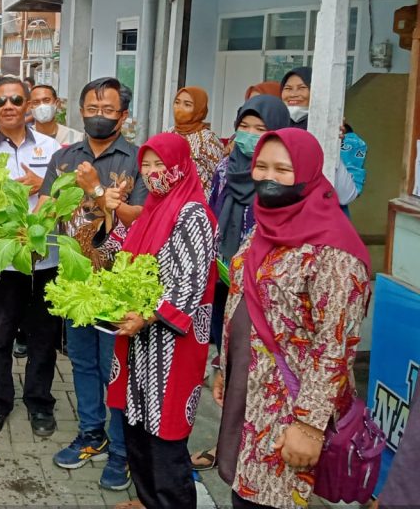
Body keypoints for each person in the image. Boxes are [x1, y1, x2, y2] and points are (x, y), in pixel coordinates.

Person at [215, 129, 371, 509]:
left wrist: (309, 426)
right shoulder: (265, 229)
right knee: (243, 492)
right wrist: (224, 367)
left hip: (290, 408)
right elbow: (242, 298)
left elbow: (334, 348)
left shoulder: (335, 251)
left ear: (307, 173)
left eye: (282, 169)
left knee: (273, 499)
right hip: (249, 395)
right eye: (262, 167)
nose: (269, 177)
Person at [43, 77, 147, 492]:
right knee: (83, 364)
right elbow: (49, 209)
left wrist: (98, 192)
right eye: (91, 108)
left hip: (119, 284)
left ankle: (122, 451)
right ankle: (92, 434)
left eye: (108, 110)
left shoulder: (137, 159)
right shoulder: (64, 156)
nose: (98, 116)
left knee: (115, 369)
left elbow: (140, 218)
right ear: (80, 112)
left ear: (123, 115)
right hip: (75, 279)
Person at [103, 133, 217, 509]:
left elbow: (191, 283)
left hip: (171, 346)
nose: (153, 174)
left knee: (165, 440)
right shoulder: (152, 208)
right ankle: (149, 501)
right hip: (138, 344)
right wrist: (108, 211)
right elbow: (113, 251)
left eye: (160, 166)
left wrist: (148, 316)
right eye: (147, 166)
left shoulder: (194, 213)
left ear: (181, 166)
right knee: (137, 430)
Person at [191, 94, 289, 472]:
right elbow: (213, 215)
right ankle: (224, 444)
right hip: (222, 282)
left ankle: (256, 451)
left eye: (260, 130)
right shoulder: (223, 169)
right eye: (244, 127)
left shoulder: (280, 178)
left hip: (260, 287)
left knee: (258, 369)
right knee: (226, 364)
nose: (249, 137)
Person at [0, 77, 62, 436]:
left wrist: (44, 187)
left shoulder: (53, 148)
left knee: (43, 336)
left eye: (16, 100)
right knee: (0, 335)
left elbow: (62, 198)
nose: (9, 106)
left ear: (27, 106)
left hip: (44, 258)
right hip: (3, 260)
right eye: (1, 101)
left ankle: (40, 403)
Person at [279, 67, 361, 206]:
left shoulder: (339, 133)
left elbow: (346, 195)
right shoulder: (275, 127)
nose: (293, 94)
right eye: (288, 88)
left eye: (302, 87)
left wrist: (331, 144)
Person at [165, 86, 224, 196]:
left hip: (197, 204)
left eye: (187, 105)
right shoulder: (169, 133)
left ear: (199, 109)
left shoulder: (208, 139)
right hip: (169, 200)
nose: (179, 108)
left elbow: (218, 176)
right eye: (177, 102)